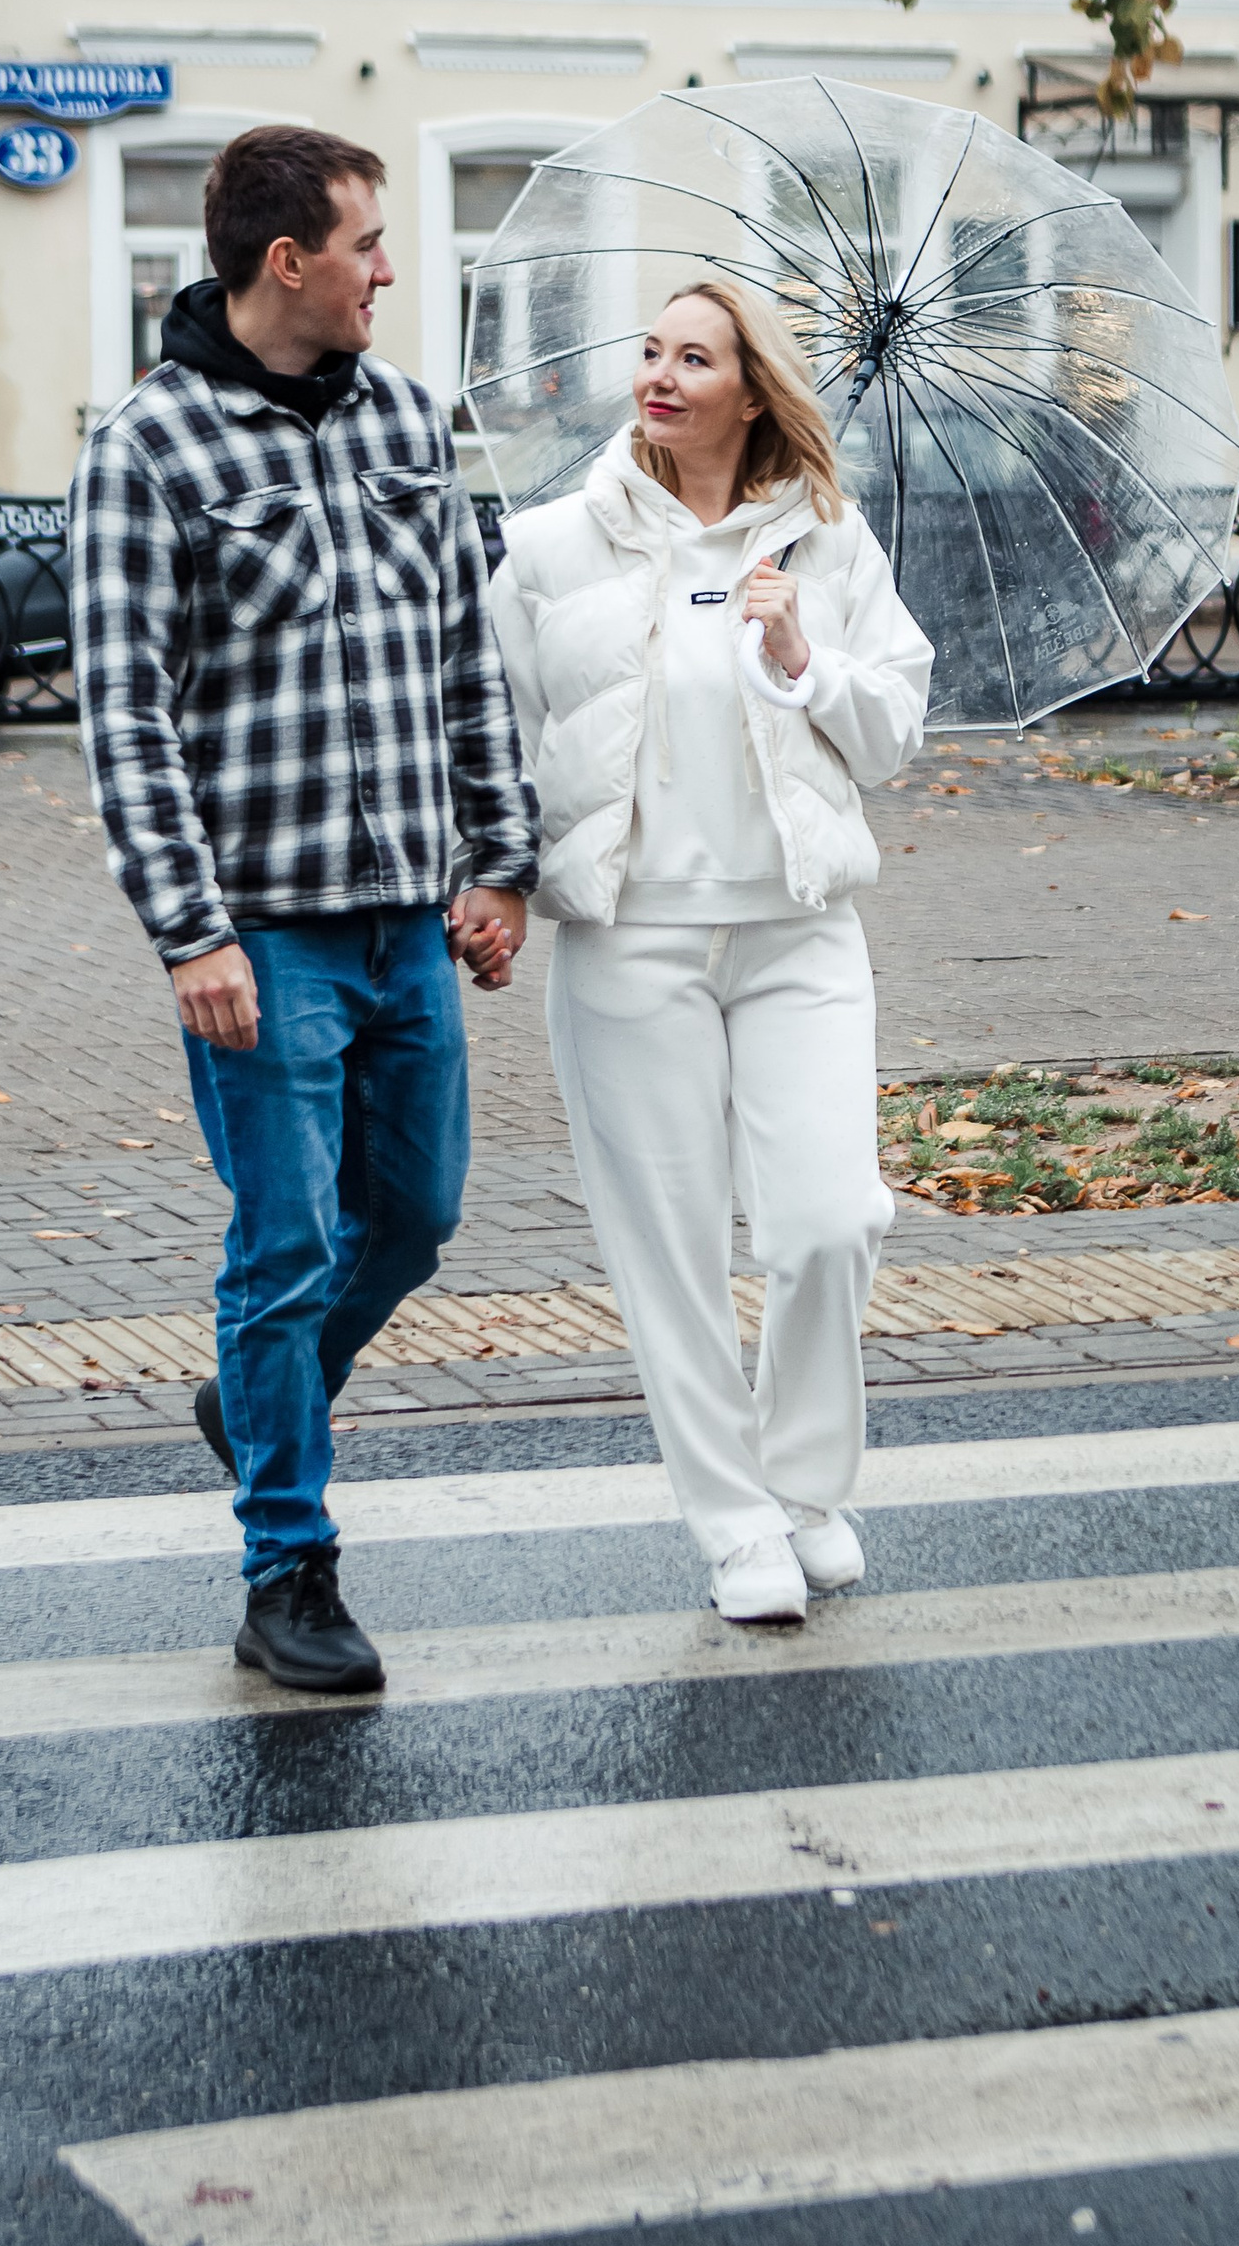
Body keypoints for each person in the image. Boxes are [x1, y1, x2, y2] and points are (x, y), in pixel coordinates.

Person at [71, 124, 536, 1695]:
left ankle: (256, 1396)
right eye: (370, 244)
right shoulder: (149, 448)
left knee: (413, 1216)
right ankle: (290, 1566)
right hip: (262, 933)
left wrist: (501, 859)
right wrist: (188, 929)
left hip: (414, 915)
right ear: (290, 262)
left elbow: (470, 658)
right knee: (286, 1245)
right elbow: (125, 717)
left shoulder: (409, 417)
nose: (390, 270)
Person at [489, 280, 932, 1628]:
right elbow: (495, 730)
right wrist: (497, 881)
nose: (660, 376)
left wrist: (803, 654)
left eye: (696, 355)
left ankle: (803, 1483)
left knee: (830, 1219)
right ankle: (736, 1520)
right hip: (633, 942)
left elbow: (894, 735)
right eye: (651, 351)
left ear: (755, 387)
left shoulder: (828, 542)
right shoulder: (554, 545)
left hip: (798, 930)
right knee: (670, 1248)